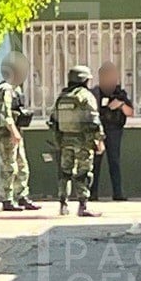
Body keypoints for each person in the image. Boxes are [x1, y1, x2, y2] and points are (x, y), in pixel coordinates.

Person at [49, 65, 104, 217]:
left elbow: (53, 119)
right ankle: (83, 205)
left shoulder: (62, 96)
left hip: (65, 140)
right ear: (85, 80)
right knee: (83, 173)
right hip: (83, 142)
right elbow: (94, 120)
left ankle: (63, 204)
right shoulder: (86, 96)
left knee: (65, 173)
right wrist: (99, 139)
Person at [0, 51, 39, 212]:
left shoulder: (15, 89)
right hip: (7, 132)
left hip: (15, 130)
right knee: (9, 166)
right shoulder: (5, 89)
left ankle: (22, 196)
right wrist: (13, 131)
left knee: (22, 165)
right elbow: (5, 113)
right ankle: (7, 199)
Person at [90, 61, 132, 201]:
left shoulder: (119, 93)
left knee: (114, 162)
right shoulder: (95, 93)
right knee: (95, 163)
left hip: (114, 131)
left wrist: (120, 104)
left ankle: (118, 193)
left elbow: (130, 112)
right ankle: (92, 193)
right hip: (98, 131)